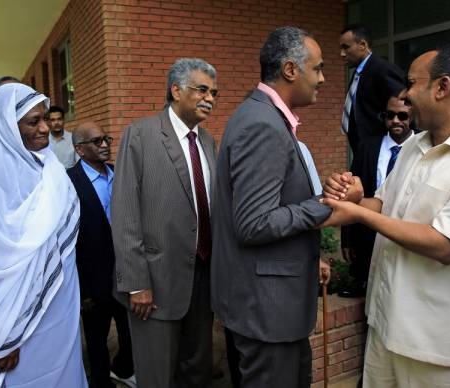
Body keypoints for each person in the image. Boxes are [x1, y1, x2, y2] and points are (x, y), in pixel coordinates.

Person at [322, 45, 450, 387]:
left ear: (442, 87)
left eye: (411, 83)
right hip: (385, 323)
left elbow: (446, 245)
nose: (404, 95)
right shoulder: (415, 146)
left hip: (435, 344)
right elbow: (384, 206)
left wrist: (358, 213)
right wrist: (357, 200)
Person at [211, 26, 331, 388]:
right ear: (291, 70)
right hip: (267, 311)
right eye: (318, 69)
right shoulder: (262, 124)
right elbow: (254, 223)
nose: (322, 79)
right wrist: (325, 206)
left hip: (275, 308)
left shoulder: (267, 118)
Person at [0, 83, 87, 387]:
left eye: (46, 118)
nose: (45, 128)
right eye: (33, 121)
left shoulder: (51, 167)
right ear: (9, 126)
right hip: (5, 315)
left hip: (58, 301)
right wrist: (2, 335)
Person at [112, 58, 218, 388]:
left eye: (214, 92)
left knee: (196, 372)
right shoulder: (141, 135)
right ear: (176, 90)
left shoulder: (208, 142)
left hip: (202, 279)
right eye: (202, 89)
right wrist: (136, 282)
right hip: (154, 286)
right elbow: (125, 212)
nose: (210, 98)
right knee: (157, 376)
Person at [68, 122, 135, 388]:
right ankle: (100, 381)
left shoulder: (118, 173)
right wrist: (81, 289)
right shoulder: (68, 181)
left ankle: (123, 368)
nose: (105, 144)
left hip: (125, 272)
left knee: (129, 330)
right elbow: (68, 241)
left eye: (106, 139)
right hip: (92, 280)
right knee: (96, 338)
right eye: (97, 141)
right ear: (79, 149)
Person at [340, 95, 413, 298]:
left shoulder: (424, 150)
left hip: (407, 236)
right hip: (367, 233)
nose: (395, 120)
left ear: (412, 116)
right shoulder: (367, 147)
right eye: (389, 115)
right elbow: (351, 192)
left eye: (402, 115)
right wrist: (347, 238)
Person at [339, 24, 404, 153]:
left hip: (380, 150)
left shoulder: (383, 70)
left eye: (346, 47)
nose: (342, 54)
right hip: (362, 148)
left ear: (362, 45)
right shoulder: (358, 74)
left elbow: (403, 109)